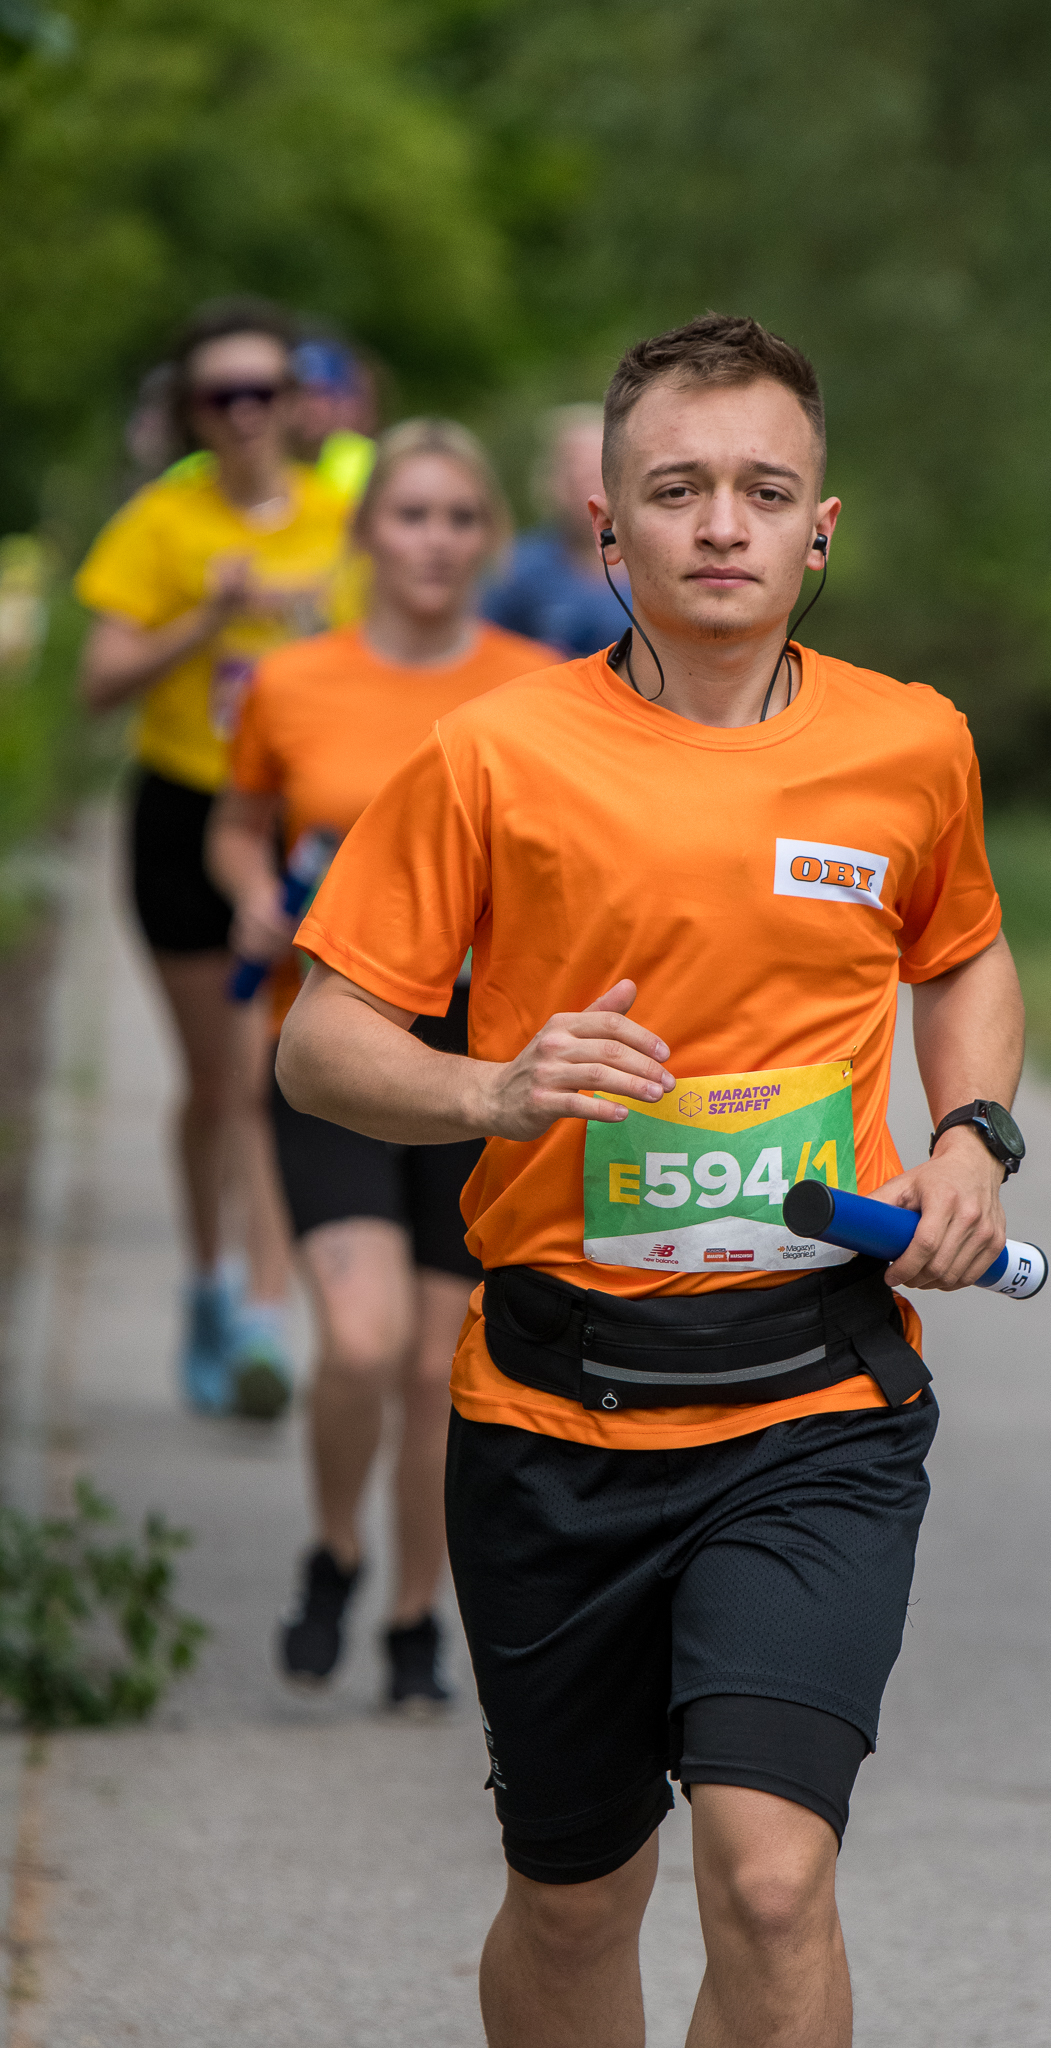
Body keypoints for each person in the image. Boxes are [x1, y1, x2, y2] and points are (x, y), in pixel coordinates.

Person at [277, 313, 1026, 2047]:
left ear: (820, 529)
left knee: (770, 1879)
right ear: (607, 528)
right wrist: (492, 1085)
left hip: (814, 1400)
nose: (722, 523)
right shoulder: (493, 753)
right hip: (556, 1410)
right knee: (575, 1897)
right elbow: (321, 1043)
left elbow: (964, 953)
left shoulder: (911, 742)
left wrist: (972, 1134)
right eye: (678, 489)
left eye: (763, 489)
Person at [208, 421, 556, 1708]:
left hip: (484, 1060)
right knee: (359, 1343)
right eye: (411, 514)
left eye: (460, 516)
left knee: (433, 1367)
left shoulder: (541, 686)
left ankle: (415, 1615)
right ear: (367, 534)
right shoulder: (293, 681)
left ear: (490, 538)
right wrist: (253, 895)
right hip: (337, 1044)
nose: (435, 540)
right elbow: (239, 825)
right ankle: (333, 1548)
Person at [76, 297, 353, 1420]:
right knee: (216, 1082)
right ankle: (208, 1281)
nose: (243, 414)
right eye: (219, 395)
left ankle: (262, 1313)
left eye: (263, 392)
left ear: (296, 402)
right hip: (185, 813)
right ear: (192, 410)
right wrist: (209, 614)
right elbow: (99, 683)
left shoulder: (345, 518)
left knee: (267, 1072)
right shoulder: (162, 524)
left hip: (308, 823)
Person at [480, 403, 628, 655]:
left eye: (599, 472)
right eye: (577, 474)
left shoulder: (656, 558)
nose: (589, 488)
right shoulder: (516, 568)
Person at [289, 336, 379, 504]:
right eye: (301, 392)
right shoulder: (253, 459)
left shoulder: (370, 463)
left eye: (321, 393)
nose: (310, 405)